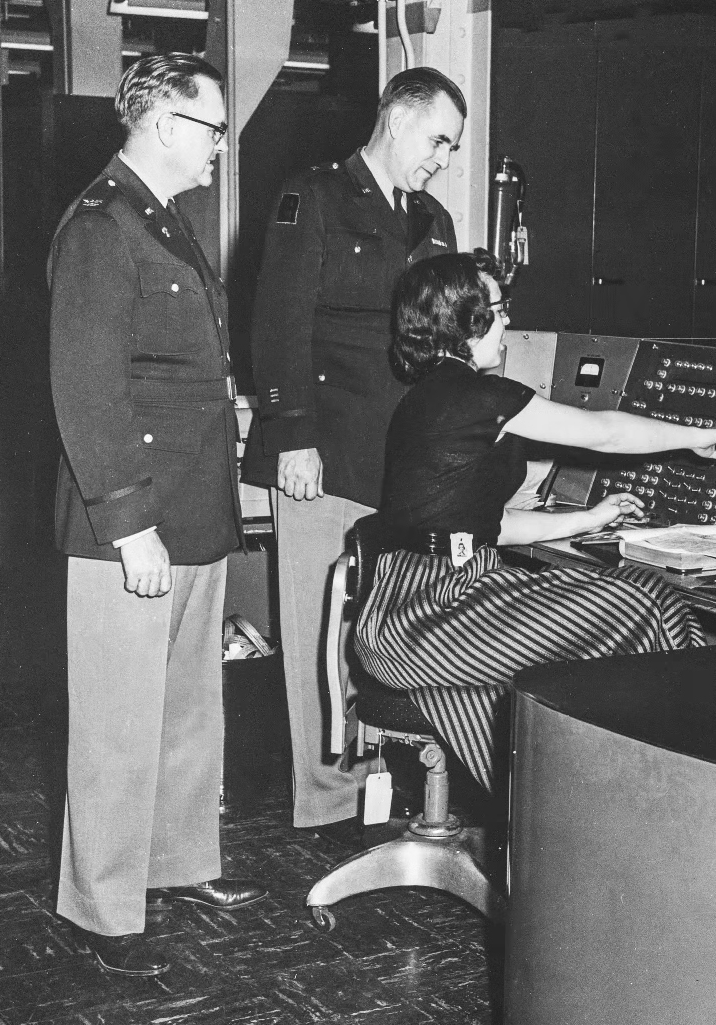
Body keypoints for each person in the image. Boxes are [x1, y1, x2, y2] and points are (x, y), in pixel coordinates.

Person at [353, 252, 716, 791]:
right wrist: (697, 437)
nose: (507, 322)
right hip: (429, 617)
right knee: (642, 603)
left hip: (421, 604)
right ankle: (684, 778)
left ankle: (633, 782)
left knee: (640, 600)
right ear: (465, 320)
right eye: (498, 310)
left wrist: (589, 518)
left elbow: (488, 527)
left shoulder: (427, 398)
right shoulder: (479, 397)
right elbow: (606, 432)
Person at [49, 53, 266, 977]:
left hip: (192, 507)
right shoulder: (103, 225)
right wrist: (129, 524)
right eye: (213, 129)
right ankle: (101, 909)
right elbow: (86, 388)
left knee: (185, 709)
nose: (221, 146)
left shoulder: (162, 219)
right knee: (116, 723)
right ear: (166, 125)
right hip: (132, 524)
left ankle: (175, 866)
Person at [244, 67, 465, 837]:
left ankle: (373, 787)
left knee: (378, 628)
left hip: (401, 460)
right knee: (322, 628)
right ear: (398, 120)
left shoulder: (432, 219)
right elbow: (277, 323)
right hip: (326, 452)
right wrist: (291, 436)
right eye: (438, 140)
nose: (442, 158)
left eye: (452, 147)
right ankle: (327, 799)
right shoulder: (314, 196)